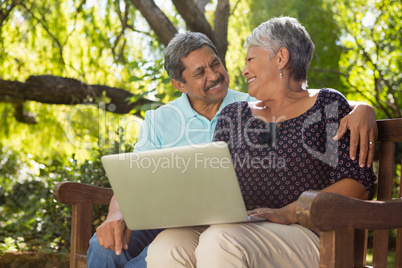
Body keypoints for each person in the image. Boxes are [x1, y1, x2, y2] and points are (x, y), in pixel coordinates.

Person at [87, 31, 377, 267]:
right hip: (212, 221)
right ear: (179, 84)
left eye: (249, 59)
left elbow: (356, 177)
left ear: (281, 57)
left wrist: (365, 107)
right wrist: (117, 214)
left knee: (218, 239)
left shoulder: (326, 104)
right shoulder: (235, 114)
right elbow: (136, 179)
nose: (239, 70)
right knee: (165, 245)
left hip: (301, 230)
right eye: (200, 72)